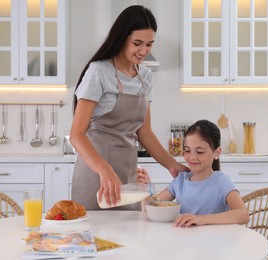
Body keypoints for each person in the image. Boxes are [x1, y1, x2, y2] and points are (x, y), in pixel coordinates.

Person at [69, 5, 189, 210]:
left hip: (128, 172)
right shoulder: (99, 71)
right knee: (94, 238)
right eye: (137, 43)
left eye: (150, 44)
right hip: (95, 173)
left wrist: (173, 165)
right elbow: (77, 134)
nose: (144, 51)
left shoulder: (145, 77)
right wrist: (104, 170)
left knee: (130, 236)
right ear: (122, 37)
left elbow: (144, 132)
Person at [143, 120, 249, 227]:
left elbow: (243, 215)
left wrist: (201, 219)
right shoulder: (180, 181)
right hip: (184, 241)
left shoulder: (222, 182)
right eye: (187, 150)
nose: (192, 157)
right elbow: (152, 207)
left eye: (200, 152)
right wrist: (145, 186)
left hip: (214, 242)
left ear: (216, 153)